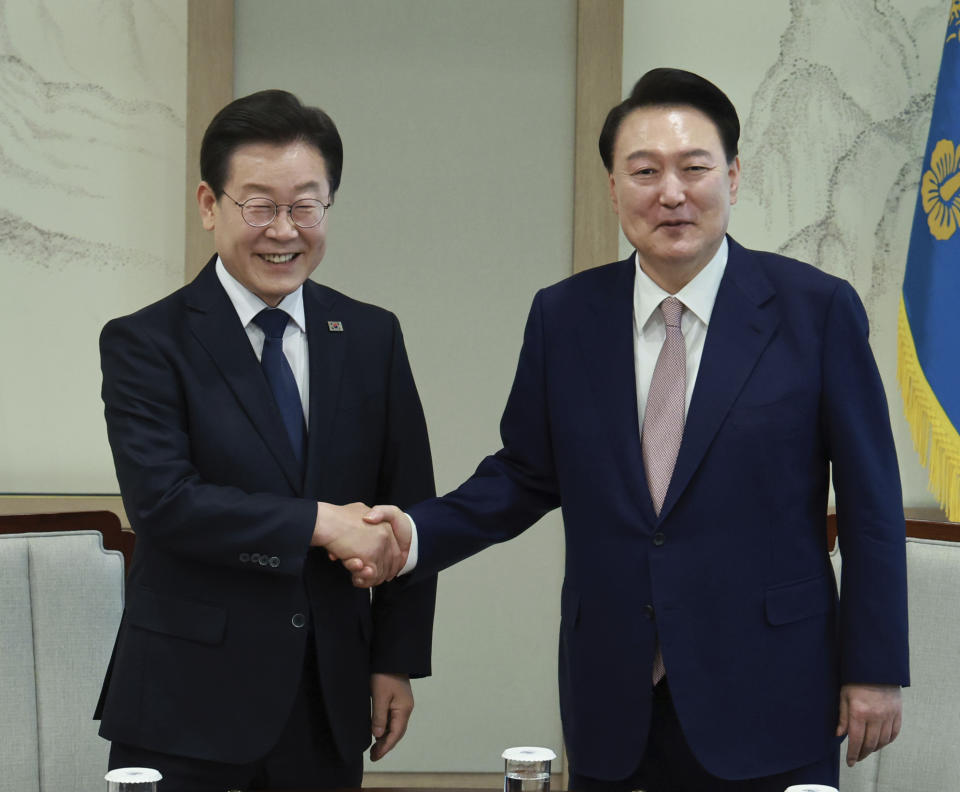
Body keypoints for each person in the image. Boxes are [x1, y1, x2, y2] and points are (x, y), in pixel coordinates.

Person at [346, 69, 910, 791]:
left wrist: (875, 669)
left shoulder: (815, 311)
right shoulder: (565, 316)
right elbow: (524, 474)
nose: (670, 193)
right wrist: (413, 536)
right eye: (644, 172)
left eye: (694, 168)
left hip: (772, 686)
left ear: (733, 177)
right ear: (614, 188)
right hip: (615, 689)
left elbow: (869, 508)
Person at [95, 89, 437, 791]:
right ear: (209, 205)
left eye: (305, 205)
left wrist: (393, 658)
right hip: (186, 703)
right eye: (259, 205)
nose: (284, 229)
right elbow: (166, 502)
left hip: (328, 697)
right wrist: (321, 523)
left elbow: (407, 507)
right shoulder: (146, 342)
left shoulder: (372, 337)